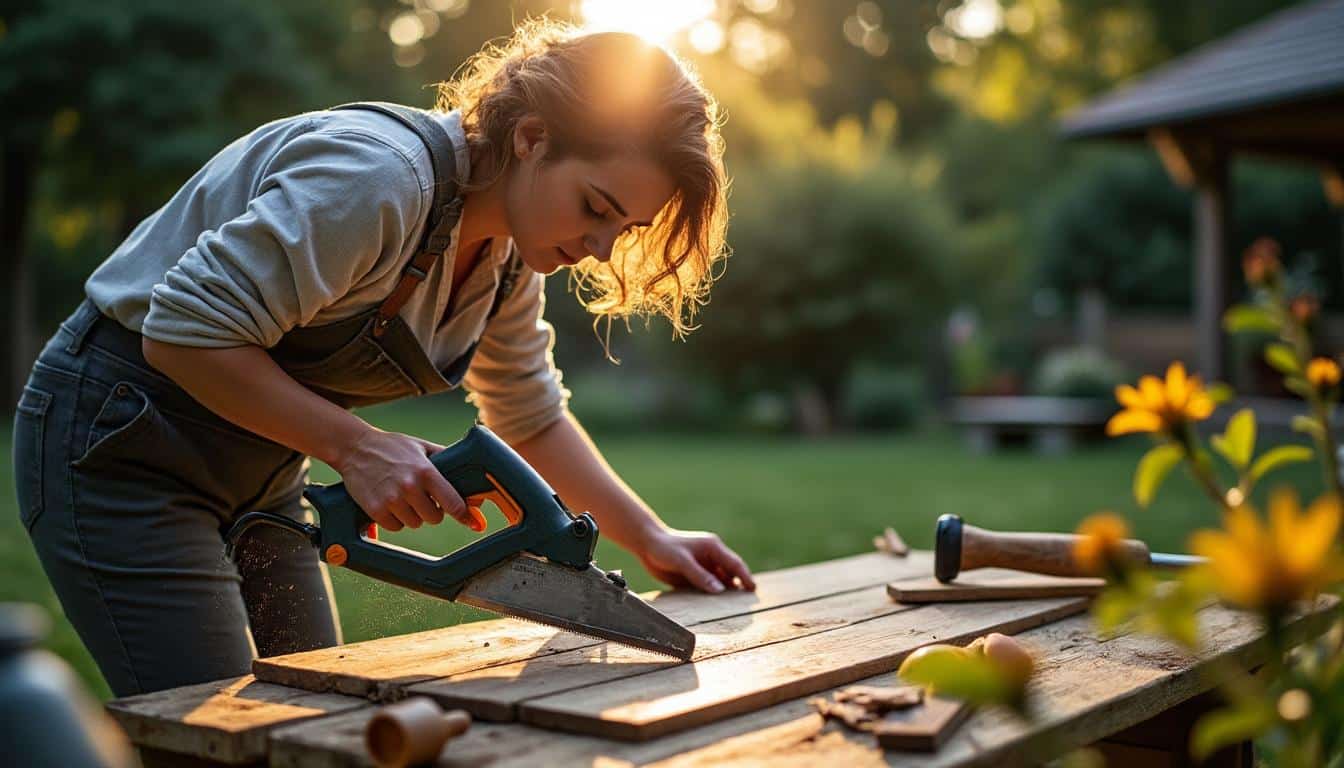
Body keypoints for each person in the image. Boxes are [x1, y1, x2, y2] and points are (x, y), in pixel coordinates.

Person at [10, 20, 755, 698]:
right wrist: (357, 447)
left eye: (626, 229)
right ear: (532, 138)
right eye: (596, 207)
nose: (600, 248)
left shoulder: (507, 259)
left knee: (312, 713)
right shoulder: (378, 180)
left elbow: (529, 413)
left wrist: (650, 537)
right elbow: (180, 330)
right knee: (214, 737)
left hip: (263, 475)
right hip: (119, 444)